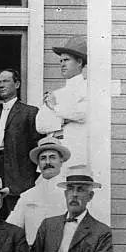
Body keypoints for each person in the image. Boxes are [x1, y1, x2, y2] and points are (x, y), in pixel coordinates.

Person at [0, 69, 42, 215]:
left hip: (19, 175)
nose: (1, 85)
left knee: (18, 217)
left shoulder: (29, 113)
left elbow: (37, 145)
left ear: (17, 84)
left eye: (5, 81)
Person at [7, 137, 71, 245]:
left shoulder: (70, 193)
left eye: (52, 157)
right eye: (43, 158)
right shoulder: (27, 196)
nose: (47, 162)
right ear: (38, 163)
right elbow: (11, 229)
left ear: (61, 160)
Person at [36, 36, 88, 166]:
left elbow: (82, 114)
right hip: (54, 155)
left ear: (79, 61)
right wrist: (64, 120)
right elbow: (40, 125)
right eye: (60, 61)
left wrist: (54, 108)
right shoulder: (57, 93)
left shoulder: (87, 88)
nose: (62, 64)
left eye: (66, 60)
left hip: (76, 153)